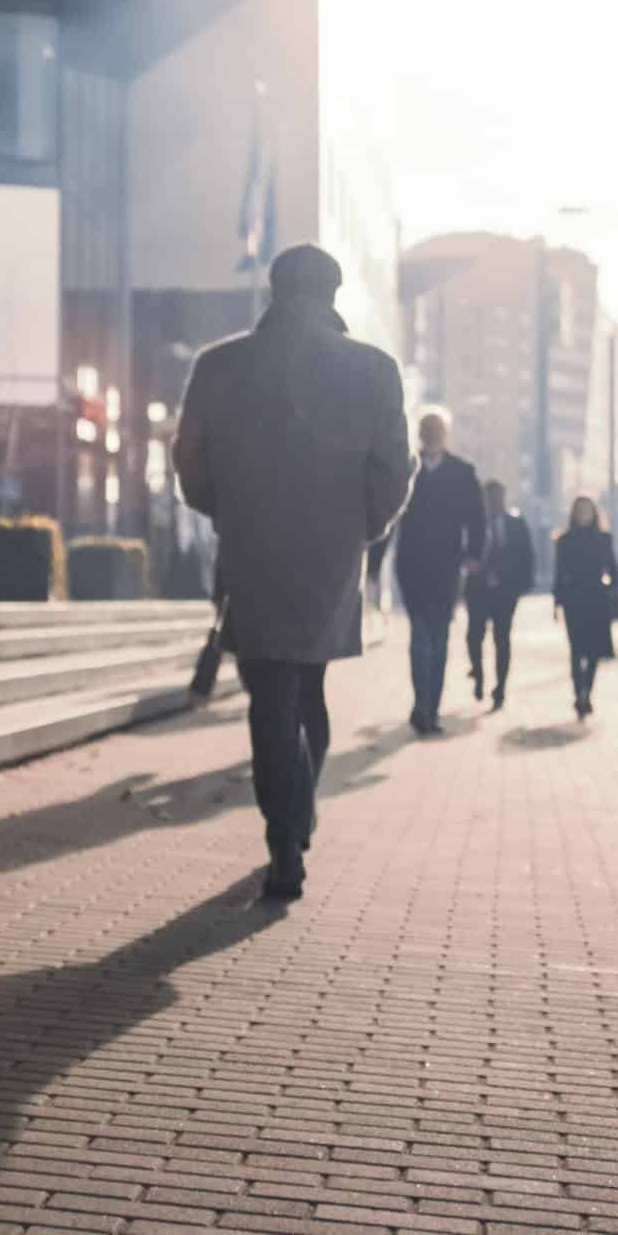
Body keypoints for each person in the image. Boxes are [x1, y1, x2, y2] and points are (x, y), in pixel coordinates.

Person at [174, 244, 412, 901]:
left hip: (252, 548)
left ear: (274, 292)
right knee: (309, 688)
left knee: (269, 695)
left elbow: (190, 465)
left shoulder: (220, 365)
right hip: (333, 553)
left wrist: (227, 512)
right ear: (333, 296)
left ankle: (284, 835)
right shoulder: (373, 369)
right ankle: (297, 817)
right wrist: (362, 529)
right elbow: (394, 470)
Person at [370, 411, 485, 734]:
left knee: (439, 638)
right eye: (427, 430)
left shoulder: (463, 472)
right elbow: (388, 517)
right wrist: (376, 564)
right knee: (420, 638)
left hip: (448, 568)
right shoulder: (407, 469)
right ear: (419, 434)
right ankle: (421, 706)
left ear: (445, 434)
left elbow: (477, 518)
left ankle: (431, 708)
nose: (431, 435)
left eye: (436, 430)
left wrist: (474, 555)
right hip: (413, 568)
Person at [464, 480, 534, 712]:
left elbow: (527, 556)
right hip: (478, 591)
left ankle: (500, 689)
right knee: (474, 636)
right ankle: (479, 674)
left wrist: (521, 586)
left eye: (498, 497)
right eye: (489, 497)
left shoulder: (516, 523)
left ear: (503, 498)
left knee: (502, 640)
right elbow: (462, 550)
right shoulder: (474, 524)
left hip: (506, 592)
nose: (494, 502)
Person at [551, 497, 618, 719]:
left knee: (593, 652)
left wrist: (613, 594)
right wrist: (557, 602)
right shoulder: (564, 540)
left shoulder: (604, 539)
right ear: (574, 514)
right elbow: (559, 573)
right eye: (580, 510)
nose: (583, 514)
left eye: (587, 510)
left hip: (597, 600)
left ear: (594, 513)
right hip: (574, 601)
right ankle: (578, 691)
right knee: (576, 650)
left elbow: (613, 568)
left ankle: (587, 692)